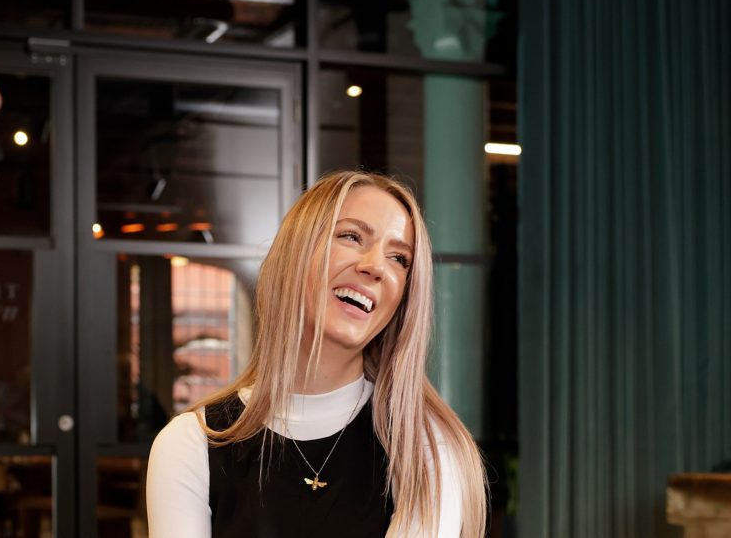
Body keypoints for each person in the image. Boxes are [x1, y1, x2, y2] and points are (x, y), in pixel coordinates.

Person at [146, 170, 488, 537]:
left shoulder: (426, 449)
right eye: (352, 236)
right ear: (296, 252)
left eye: (399, 259)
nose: (374, 266)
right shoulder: (191, 444)